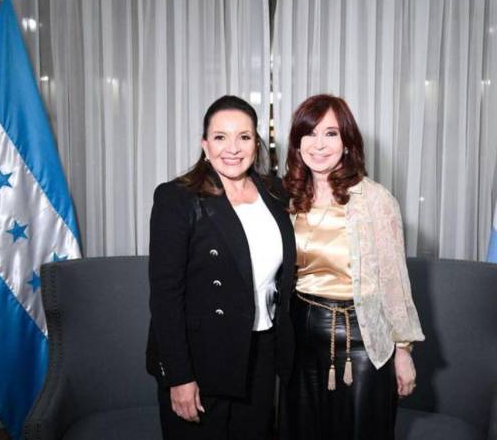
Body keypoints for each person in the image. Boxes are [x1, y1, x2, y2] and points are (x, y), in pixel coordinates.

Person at [146, 95, 296, 440]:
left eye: (243, 137)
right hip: (201, 359)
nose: (233, 148)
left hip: (260, 353)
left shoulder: (275, 193)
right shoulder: (178, 198)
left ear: (256, 144)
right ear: (204, 144)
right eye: (220, 137)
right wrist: (180, 377)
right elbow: (166, 296)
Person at [281, 94, 425, 440]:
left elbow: (394, 281)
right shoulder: (286, 197)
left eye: (330, 134)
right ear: (297, 144)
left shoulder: (374, 199)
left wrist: (403, 350)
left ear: (347, 143)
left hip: (360, 344)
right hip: (298, 344)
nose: (319, 144)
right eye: (310, 133)